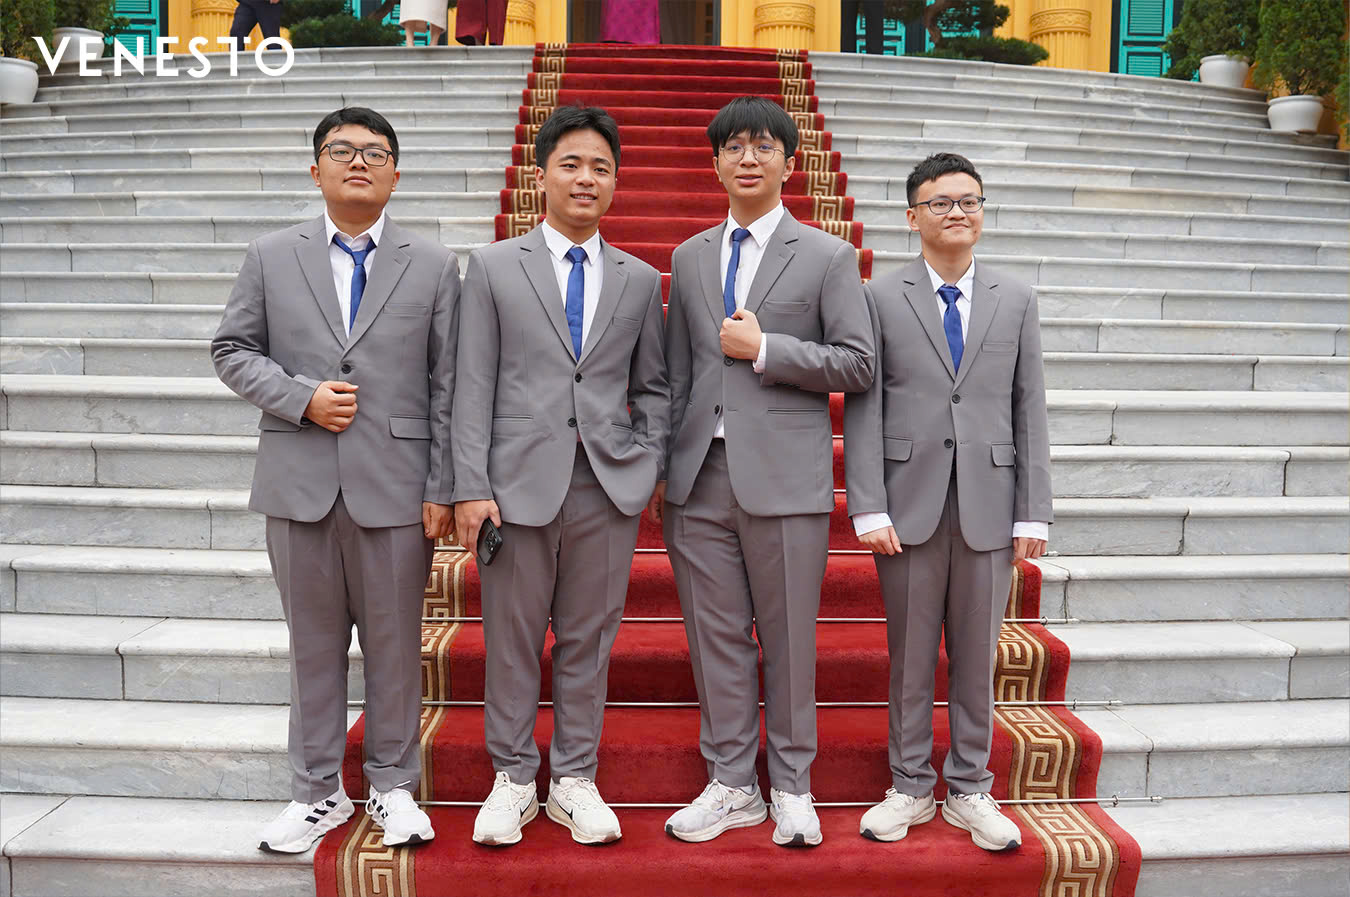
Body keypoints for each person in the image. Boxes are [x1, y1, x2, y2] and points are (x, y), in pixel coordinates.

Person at [213, 106, 457, 854]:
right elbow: (232, 349)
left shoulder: (434, 264)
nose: (358, 161)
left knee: (394, 645)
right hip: (300, 484)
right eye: (341, 150)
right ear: (314, 167)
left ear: (395, 174)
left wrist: (443, 486)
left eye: (374, 152)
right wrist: (301, 397)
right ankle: (316, 791)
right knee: (312, 646)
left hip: (397, 486)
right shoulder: (270, 255)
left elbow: (450, 382)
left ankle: (392, 786)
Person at [653, 96, 875, 848]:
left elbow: (858, 363)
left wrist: (769, 350)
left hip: (784, 478)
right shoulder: (688, 256)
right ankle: (731, 784)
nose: (748, 158)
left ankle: (793, 786)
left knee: (787, 641)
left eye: (763, 146)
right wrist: (664, 468)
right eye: (734, 147)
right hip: (698, 478)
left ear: (790, 162)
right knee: (715, 639)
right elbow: (676, 374)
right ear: (715, 163)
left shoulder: (826, 255)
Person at [453, 105, 670, 848]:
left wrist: (645, 464)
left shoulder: (638, 279)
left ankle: (575, 777)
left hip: (605, 487)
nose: (586, 178)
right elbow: (470, 383)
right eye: (571, 164)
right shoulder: (492, 267)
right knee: (512, 640)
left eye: (601, 167)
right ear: (540, 174)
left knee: (588, 639)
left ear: (615, 183)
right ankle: (513, 778)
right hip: (514, 486)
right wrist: (470, 485)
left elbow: (655, 387)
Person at [843, 152, 1052, 851]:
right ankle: (908, 785)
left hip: (991, 502)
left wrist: (1033, 509)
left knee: (975, 654)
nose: (957, 211)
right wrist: (868, 504)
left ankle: (969, 787)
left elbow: (1029, 406)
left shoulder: (1016, 297)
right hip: (908, 506)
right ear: (913, 216)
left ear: (982, 211)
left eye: (969, 200)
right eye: (940, 202)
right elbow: (865, 404)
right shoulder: (879, 296)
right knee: (910, 654)